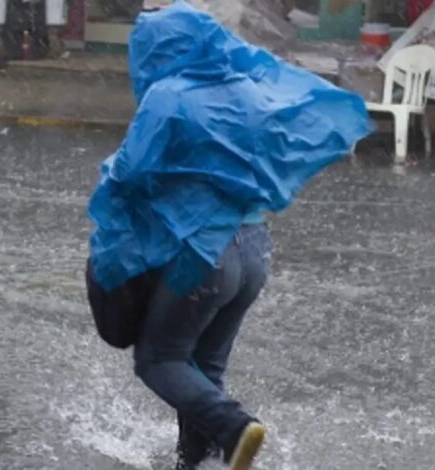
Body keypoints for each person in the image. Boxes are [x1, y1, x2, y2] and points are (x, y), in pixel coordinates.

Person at [86, 4, 372, 470]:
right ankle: (201, 461)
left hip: (203, 256)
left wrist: (109, 181)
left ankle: (234, 427)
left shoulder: (170, 95)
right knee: (202, 366)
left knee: (159, 359)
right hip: (253, 249)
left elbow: (132, 170)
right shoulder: (245, 88)